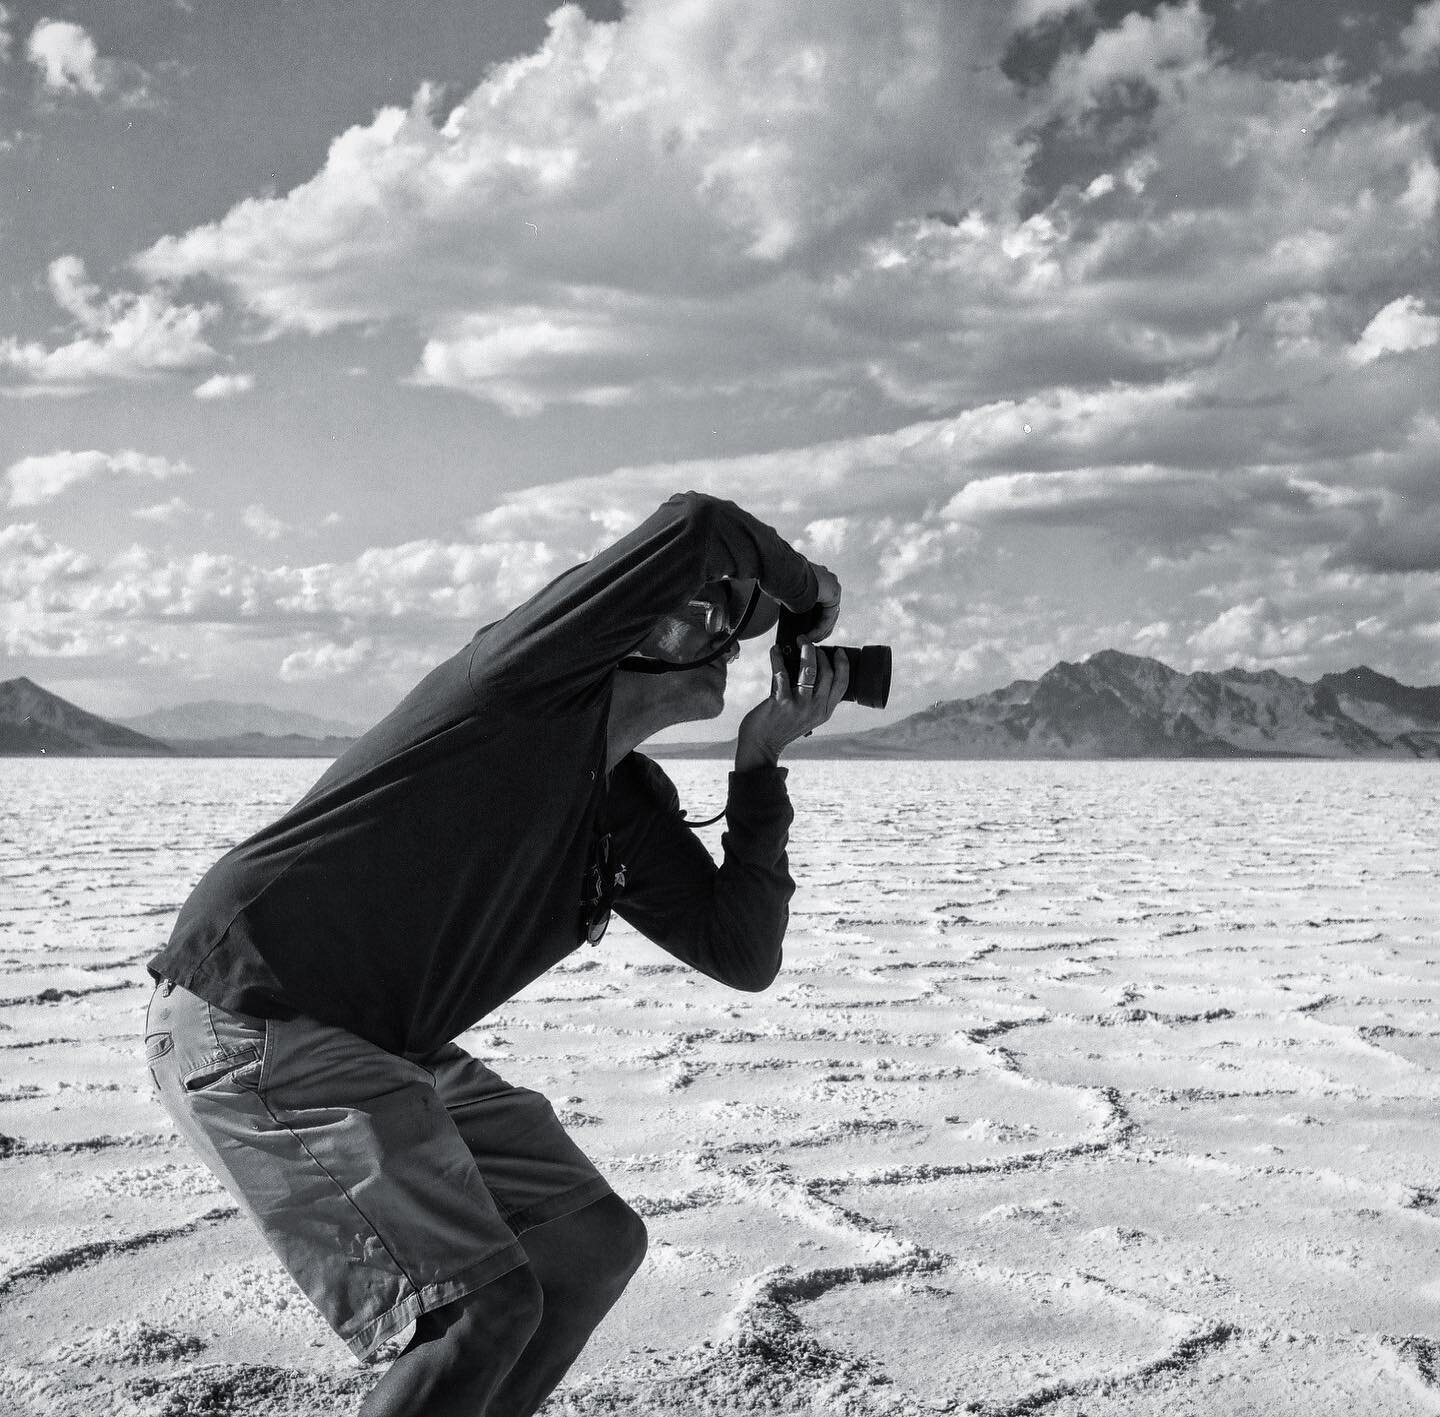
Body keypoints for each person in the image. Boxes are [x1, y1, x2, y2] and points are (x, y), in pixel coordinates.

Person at [142, 490, 850, 1417]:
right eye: (702, 613)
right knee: (483, 1307)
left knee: (588, 1246)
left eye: (735, 624)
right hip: (259, 1013)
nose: (724, 640)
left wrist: (759, 767)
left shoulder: (623, 803)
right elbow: (695, 527)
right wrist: (807, 594)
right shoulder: (518, 683)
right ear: (620, 629)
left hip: (382, 1041)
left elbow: (740, 948)